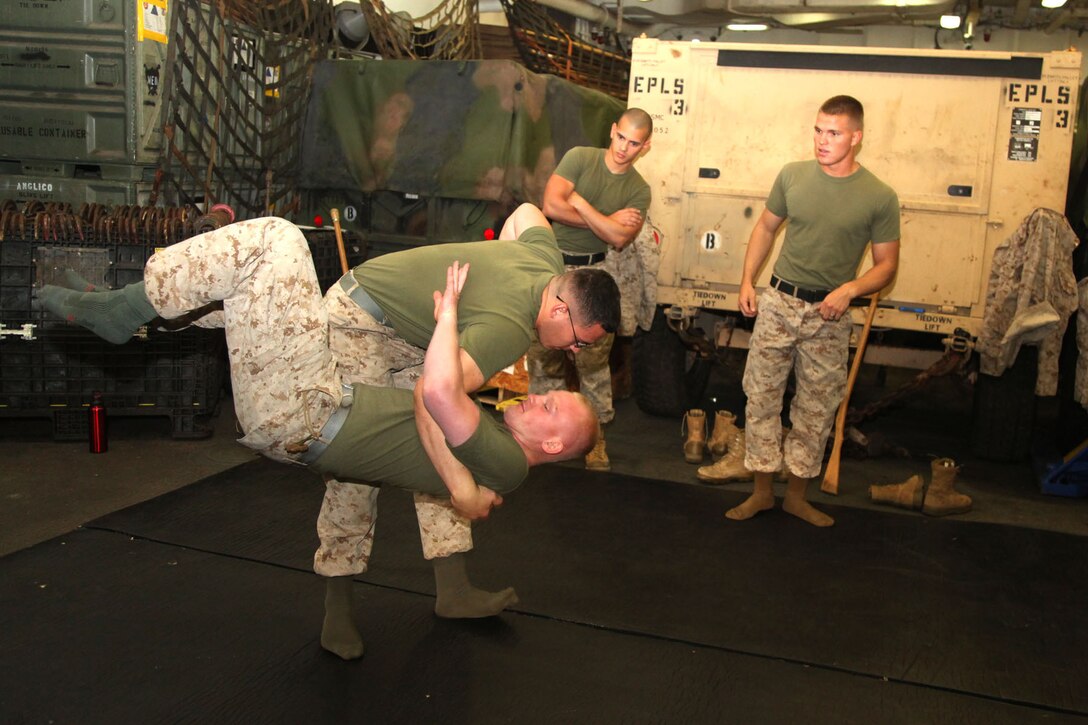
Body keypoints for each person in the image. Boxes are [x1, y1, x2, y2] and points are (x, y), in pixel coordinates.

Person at [36, 217, 600, 657]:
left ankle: (452, 585)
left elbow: (528, 211)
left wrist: (461, 485)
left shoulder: (544, 264)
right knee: (361, 468)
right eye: (579, 339)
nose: (573, 352)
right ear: (559, 303)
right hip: (363, 322)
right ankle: (340, 596)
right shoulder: (510, 326)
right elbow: (436, 398)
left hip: (395, 352)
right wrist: (464, 489)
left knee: (414, 435)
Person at [698, 95, 900, 527]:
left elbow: (887, 266)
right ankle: (761, 492)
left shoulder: (879, 196)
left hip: (829, 313)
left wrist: (850, 290)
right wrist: (747, 279)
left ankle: (796, 497)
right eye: (818, 130)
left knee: (816, 408)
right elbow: (765, 227)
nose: (822, 141)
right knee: (761, 398)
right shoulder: (792, 175)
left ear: (856, 137)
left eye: (834, 133)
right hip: (779, 303)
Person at [531, 107, 653, 472]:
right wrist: (605, 218)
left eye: (634, 143)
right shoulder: (580, 158)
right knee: (543, 357)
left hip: (594, 274)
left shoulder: (638, 189)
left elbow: (619, 238)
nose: (624, 148)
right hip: (552, 269)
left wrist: (581, 202)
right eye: (621, 137)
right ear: (613, 130)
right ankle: (540, 436)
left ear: (645, 147)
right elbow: (551, 205)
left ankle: (596, 440)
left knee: (594, 364)